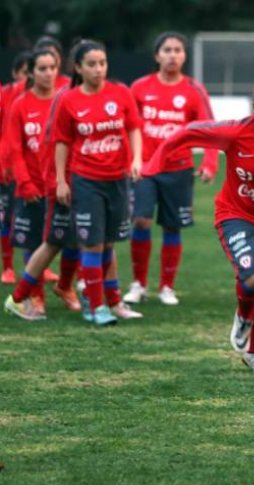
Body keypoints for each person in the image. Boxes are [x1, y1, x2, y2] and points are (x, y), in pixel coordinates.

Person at [142, 76, 254, 375]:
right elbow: (188, 133)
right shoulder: (236, 132)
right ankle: (243, 316)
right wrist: (155, 164)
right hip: (235, 215)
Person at [52, 39, 144, 325]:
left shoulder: (121, 93)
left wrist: (136, 159)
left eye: (102, 63)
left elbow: (133, 129)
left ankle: (114, 301)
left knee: (108, 243)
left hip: (117, 180)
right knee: (92, 244)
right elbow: (62, 143)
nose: (98, 69)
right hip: (86, 181)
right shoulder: (69, 100)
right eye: (91, 64)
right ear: (78, 68)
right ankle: (95, 306)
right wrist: (60, 181)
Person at [123, 31, 218, 306]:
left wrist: (209, 163)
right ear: (157, 55)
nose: (173, 55)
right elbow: (126, 126)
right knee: (140, 221)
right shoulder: (140, 87)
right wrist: (131, 159)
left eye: (178, 50)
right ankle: (139, 284)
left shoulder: (193, 90)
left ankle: (167, 287)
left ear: (184, 56)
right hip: (146, 169)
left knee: (172, 227)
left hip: (178, 169)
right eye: (167, 50)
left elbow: (208, 130)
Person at [2, 48, 65, 319]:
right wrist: (25, 183)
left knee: (64, 240)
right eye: (42, 68)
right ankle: (35, 298)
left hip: (59, 186)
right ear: (31, 72)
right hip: (31, 188)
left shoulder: (64, 101)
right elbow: (15, 148)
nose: (48, 73)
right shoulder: (20, 104)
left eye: (52, 68)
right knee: (32, 243)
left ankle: (69, 288)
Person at [0, 51, 30, 285]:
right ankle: (8, 267)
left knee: (36, 220)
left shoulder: (37, 98)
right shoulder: (6, 96)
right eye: (23, 73)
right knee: (7, 218)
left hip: (32, 168)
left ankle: (36, 266)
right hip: (6, 166)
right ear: (14, 73)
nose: (27, 79)